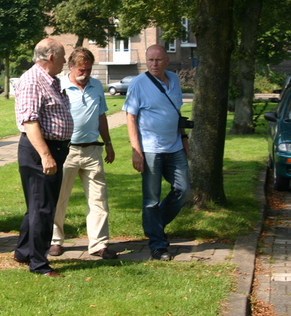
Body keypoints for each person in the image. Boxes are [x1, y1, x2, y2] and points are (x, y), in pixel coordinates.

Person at [122, 44, 191, 261]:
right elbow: (130, 117)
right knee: (151, 199)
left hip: (175, 147)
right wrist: (136, 151)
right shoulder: (139, 84)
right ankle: (158, 245)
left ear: (166, 61)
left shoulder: (175, 80)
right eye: (150, 60)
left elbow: (176, 111)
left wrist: (184, 138)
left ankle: (154, 224)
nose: (154, 64)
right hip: (150, 149)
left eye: (158, 60)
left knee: (184, 190)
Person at [50, 48, 117, 260]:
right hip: (66, 149)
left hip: (92, 149)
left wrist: (108, 143)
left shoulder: (96, 85)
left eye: (88, 69)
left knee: (99, 199)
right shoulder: (59, 85)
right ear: (71, 66)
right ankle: (55, 241)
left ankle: (98, 244)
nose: (85, 73)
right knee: (59, 197)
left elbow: (101, 115)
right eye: (81, 69)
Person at [14, 38, 73, 277]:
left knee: (37, 207)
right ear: (51, 57)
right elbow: (30, 121)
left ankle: (24, 252)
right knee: (43, 209)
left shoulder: (51, 80)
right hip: (40, 151)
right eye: (63, 56)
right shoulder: (32, 80)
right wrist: (46, 156)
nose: (65, 61)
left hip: (52, 150)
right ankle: (39, 263)